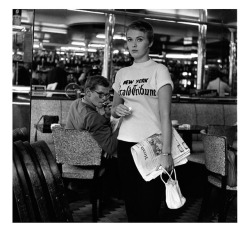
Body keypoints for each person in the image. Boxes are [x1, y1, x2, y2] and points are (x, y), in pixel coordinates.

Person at [111, 20, 174, 222]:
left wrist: (166, 153)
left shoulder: (159, 70)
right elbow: (113, 111)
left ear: (150, 42)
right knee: (131, 202)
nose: (133, 45)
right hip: (125, 145)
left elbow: (166, 115)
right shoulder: (122, 73)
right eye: (129, 40)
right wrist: (116, 110)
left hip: (151, 144)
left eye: (139, 39)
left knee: (149, 202)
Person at [66, 75, 121, 199]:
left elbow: (93, 126)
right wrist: (123, 123)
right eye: (101, 94)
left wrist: (105, 115)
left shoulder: (76, 103)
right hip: (86, 160)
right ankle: (111, 195)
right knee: (119, 158)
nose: (105, 99)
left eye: (108, 95)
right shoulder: (93, 117)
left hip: (70, 154)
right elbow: (111, 147)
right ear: (88, 92)